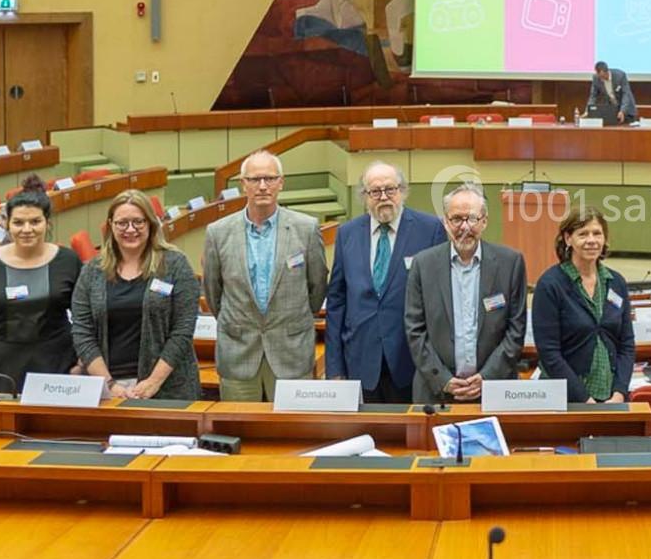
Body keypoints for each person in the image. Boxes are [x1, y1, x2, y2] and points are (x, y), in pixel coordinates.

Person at [203, 150, 328, 401]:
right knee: (239, 433)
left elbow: (316, 288)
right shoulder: (218, 232)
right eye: (254, 179)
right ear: (243, 184)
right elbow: (214, 292)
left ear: (281, 182)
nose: (262, 186)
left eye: (270, 179)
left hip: (290, 354)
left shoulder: (306, 229)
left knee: (293, 437)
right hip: (239, 355)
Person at [326, 161, 446, 402]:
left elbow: (440, 302)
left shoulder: (430, 229)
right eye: (375, 191)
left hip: (411, 362)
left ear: (402, 191)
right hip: (359, 361)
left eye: (390, 189)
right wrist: (335, 369)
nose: (383, 197)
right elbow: (336, 303)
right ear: (364, 196)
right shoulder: (347, 234)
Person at [0, 175, 82, 393]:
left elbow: (85, 319)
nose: (27, 229)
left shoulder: (68, 261)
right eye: (19, 222)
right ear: (6, 224)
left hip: (56, 369)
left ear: (47, 222)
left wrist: (81, 364)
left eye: (35, 221)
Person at [72, 190, 201, 400]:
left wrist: (153, 382)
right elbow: (82, 332)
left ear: (150, 224)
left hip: (168, 387)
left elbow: (183, 330)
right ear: (110, 225)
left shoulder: (176, 265)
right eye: (122, 223)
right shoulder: (92, 271)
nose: (130, 229)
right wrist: (110, 385)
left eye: (138, 222)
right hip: (107, 389)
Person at [404, 183, 526, 404]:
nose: (465, 226)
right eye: (457, 219)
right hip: (436, 391)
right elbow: (415, 330)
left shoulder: (511, 263)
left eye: (472, 219)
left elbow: (516, 331)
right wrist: (443, 379)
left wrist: (486, 377)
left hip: (494, 391)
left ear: (485, 221)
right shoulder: (423, 264)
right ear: (445, 222)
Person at [531, 207, 636, 404]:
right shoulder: (550, 284)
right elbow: (549, 353)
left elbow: (627, 344)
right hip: (566, 399)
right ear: (568, 238)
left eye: (597, 233)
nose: (591, 240)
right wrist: (584, 400)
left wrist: (620, 392)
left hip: (613, 398)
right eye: (583, 234)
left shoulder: (616, 282)